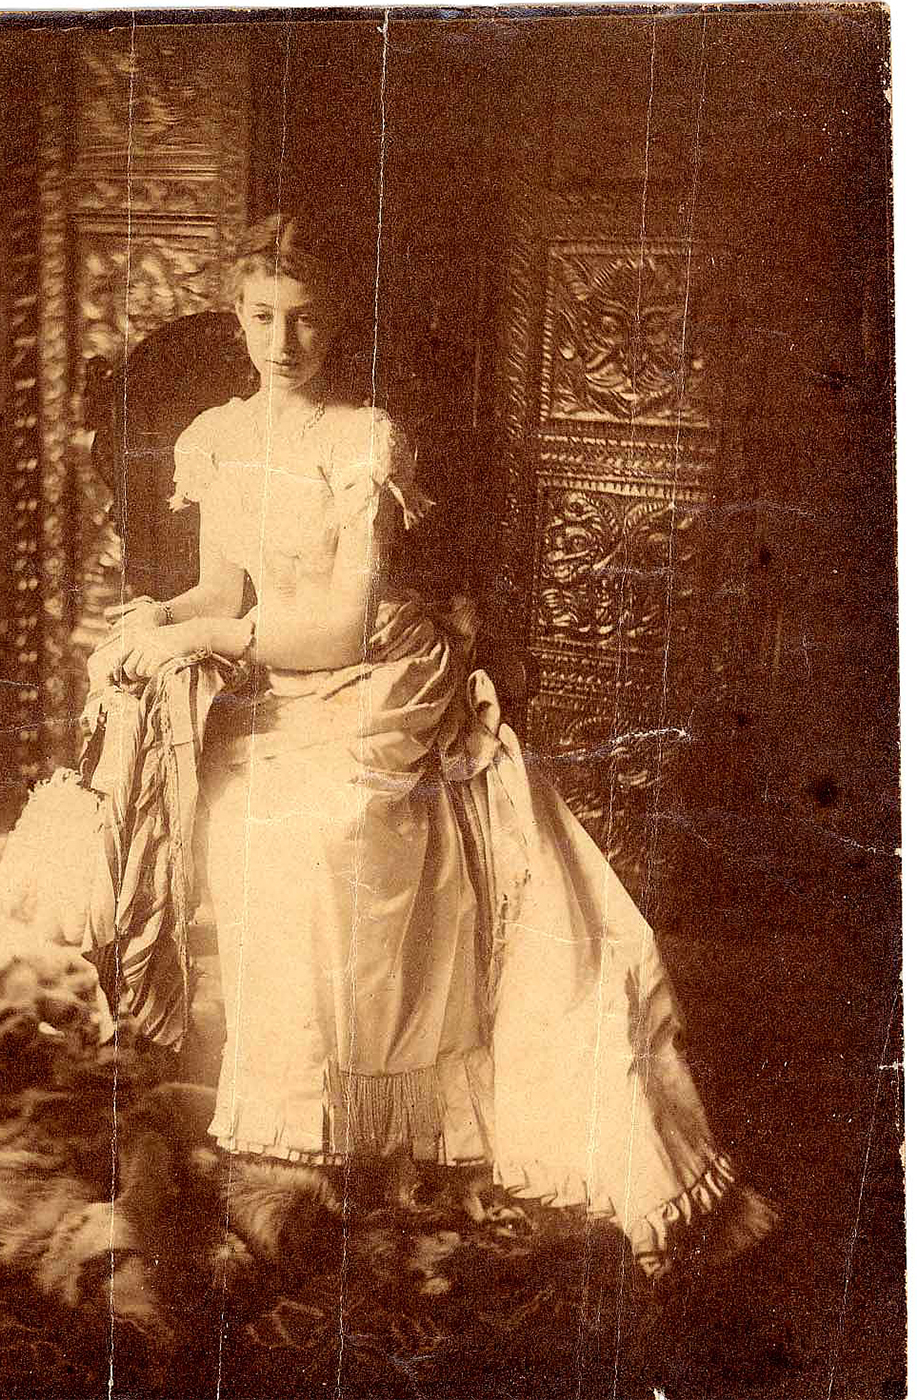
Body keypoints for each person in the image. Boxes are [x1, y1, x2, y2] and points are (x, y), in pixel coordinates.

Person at [88, 212, 774, 1274]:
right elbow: (221, 590)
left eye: (305, 320)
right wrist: (153, 619)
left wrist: (212, 635)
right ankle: (296, 1119)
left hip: (381, 671)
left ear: (334, 325)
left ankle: (376, 1113)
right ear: (236, 317)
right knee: (240, 817)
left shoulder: (364, 438)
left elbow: (343, 624)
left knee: (327, 828)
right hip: (279, 667)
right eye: (263, 316)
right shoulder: (217, 437)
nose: (283, 342)